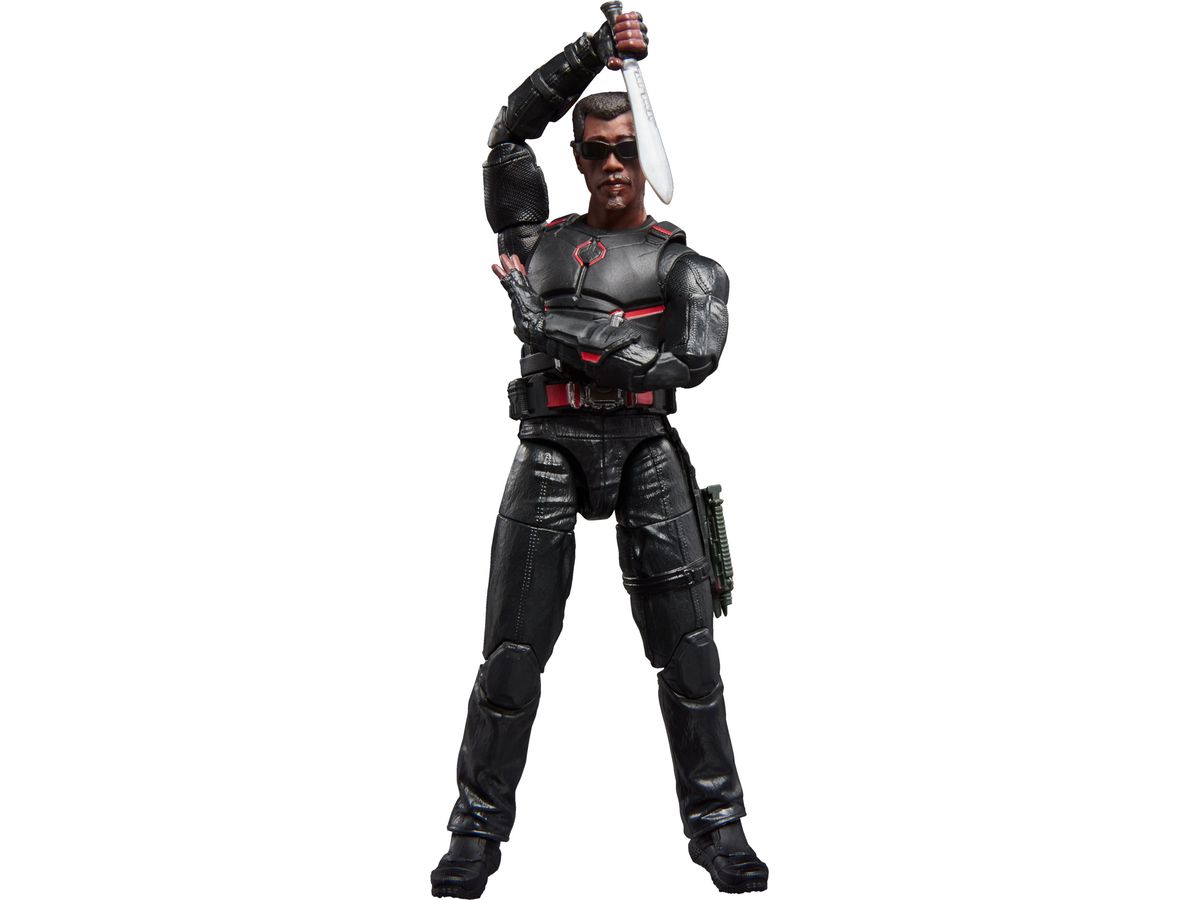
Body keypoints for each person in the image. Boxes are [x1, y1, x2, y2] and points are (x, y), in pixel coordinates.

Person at [430, 11, 768, 897]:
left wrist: (556, 333)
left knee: (689, 655)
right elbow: (508, 133)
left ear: (647, 155)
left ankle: (719, 826)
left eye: (626, 149)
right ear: (578, 159)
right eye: (595, 151)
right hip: (549, 445)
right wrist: (593, 50)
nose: (612, 164)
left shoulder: (686, 266)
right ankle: (475, 831)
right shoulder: (535, 244)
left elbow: (687, 363)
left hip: (645, 446)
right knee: (511, 655)